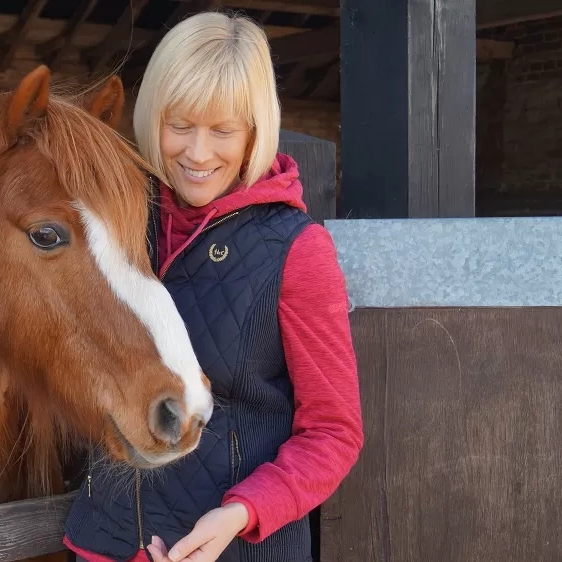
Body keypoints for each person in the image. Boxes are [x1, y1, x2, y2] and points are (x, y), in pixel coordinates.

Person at [63, 10, 364, 562]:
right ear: (153, 117)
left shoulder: (297, 250)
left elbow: (334, 431)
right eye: (180, 125)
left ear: (255, 130)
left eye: (222, 130)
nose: (198, 154)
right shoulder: (118, 224)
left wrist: (244, 512)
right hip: (104, 546)